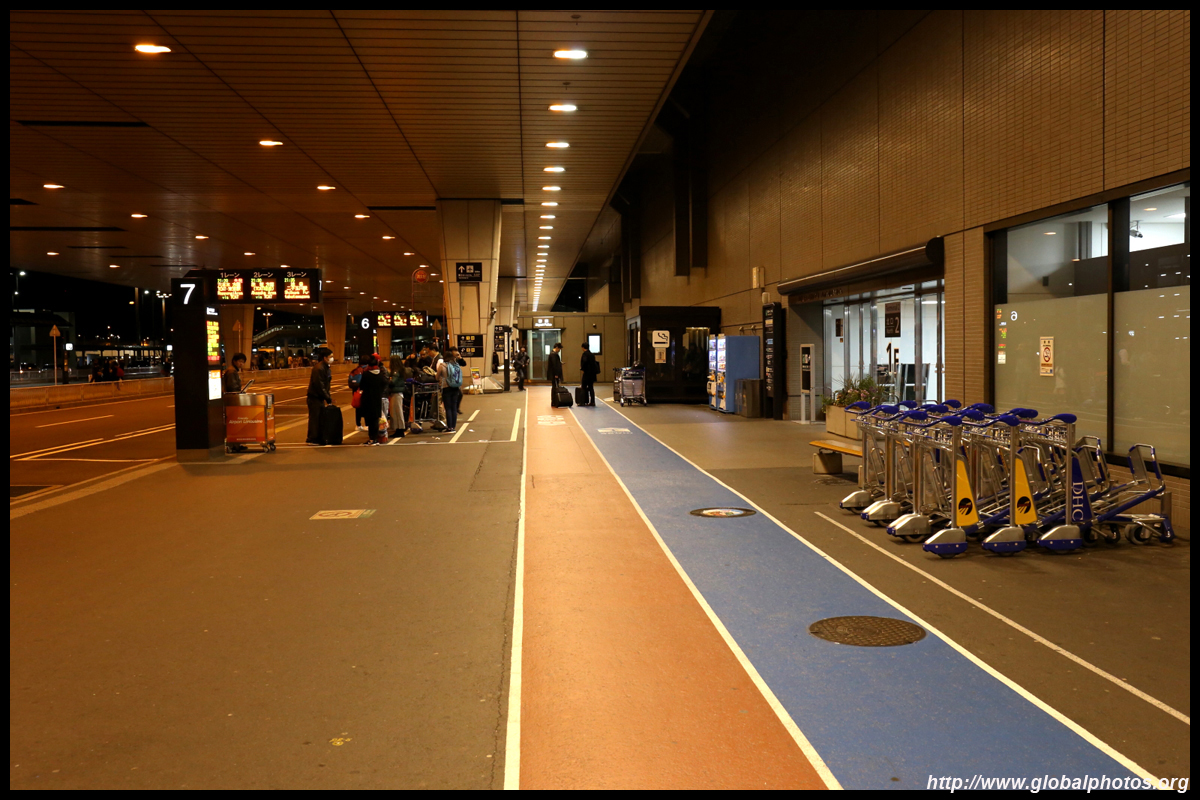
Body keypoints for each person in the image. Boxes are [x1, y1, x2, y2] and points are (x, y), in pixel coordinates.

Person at [305, 347, 333, 446]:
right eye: (330, 356)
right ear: (325, 357)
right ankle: (312, 438)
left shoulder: (325, 367)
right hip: (315, 397)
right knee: (315, 418)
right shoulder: (319, 368)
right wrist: (327, 397)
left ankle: (317, 437)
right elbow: (319, 385)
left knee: (319, 417)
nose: (332, 358)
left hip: (318, 397)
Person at [358, 355, 388, 445]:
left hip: (367, 399)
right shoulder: (380, 375)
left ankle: (372, 438)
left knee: (369, 420)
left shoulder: (366, 374)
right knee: (375, 419)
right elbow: (385, 384)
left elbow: (361, 386)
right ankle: (375, 438)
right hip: (377, 399)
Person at [438, 346, 464, 433]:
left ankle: (449, 427)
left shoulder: (442, 366)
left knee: (448, 408)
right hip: (456, 387)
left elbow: (437, 377)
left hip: (446, 388)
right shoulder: (456, 365)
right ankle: (453, 426)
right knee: (454, 407)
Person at [387, 355, 409, 440]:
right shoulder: (400, 369)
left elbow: (393, 382)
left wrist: (388, 379)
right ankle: (398, 429)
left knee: (397, 412)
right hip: (398, 392)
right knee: (396, 412)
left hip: (396, 392)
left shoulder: (396, 371)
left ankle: (400, 429)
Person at [349, 354, 370, 431]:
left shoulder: (355, 370)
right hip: (364, 391)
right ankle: (367, 424)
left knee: (358, 409)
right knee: (367, 408)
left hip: (356, 392)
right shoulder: (366, 369)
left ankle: (358, 425)